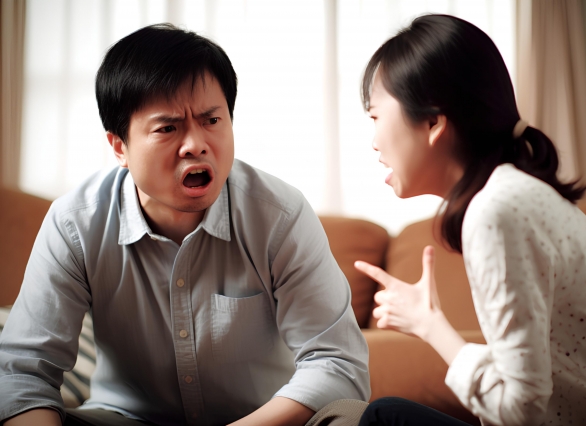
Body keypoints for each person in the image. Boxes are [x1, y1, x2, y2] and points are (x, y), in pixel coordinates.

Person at [0, 24, 370, 426]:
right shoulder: (76, 223)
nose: (196, 144)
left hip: (263, 420)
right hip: (127, 419)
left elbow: (337, 362)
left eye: (212, 120)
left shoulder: (279, 215)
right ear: (120, 146)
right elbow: (23, 372)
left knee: (349, 417)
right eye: (168, 128)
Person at [353, 14, 586, 426]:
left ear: (433, 122)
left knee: (383, 417)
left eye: (375, 117)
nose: (374, 142)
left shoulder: (496, 210)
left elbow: (520, 409)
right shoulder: (515, 192)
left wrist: (430, 325)